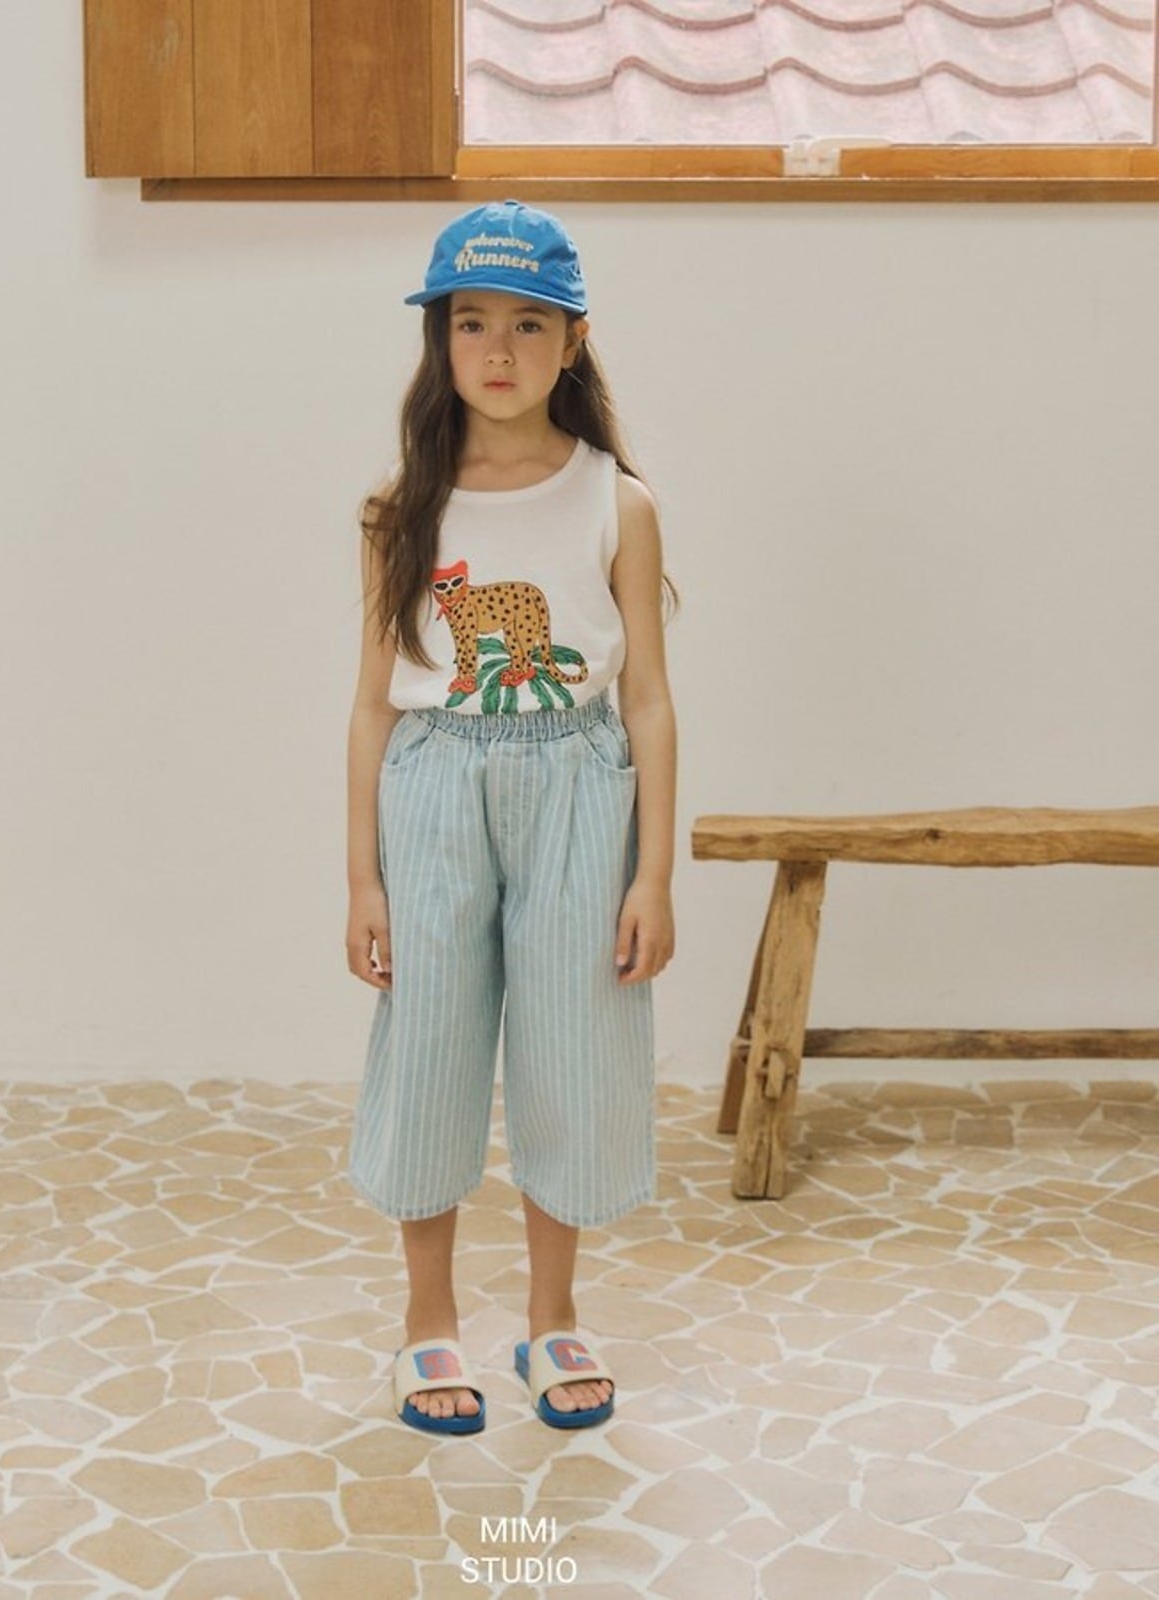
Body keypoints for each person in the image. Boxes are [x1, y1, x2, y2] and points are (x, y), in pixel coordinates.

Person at [344, 199, 678, 1434]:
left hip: (578, 785)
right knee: (429, 1040)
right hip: (434, 785)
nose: (496, 348)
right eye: (470, 322)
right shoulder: (403, 510)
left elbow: (647, 697)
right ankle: (426, 1319)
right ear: (439, 339)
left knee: (573, 1042)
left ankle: (551, 1314)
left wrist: (652, 875)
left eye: (527, 324)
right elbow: (371, 704)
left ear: (571, 341)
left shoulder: (616, 502)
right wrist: (361, 879)